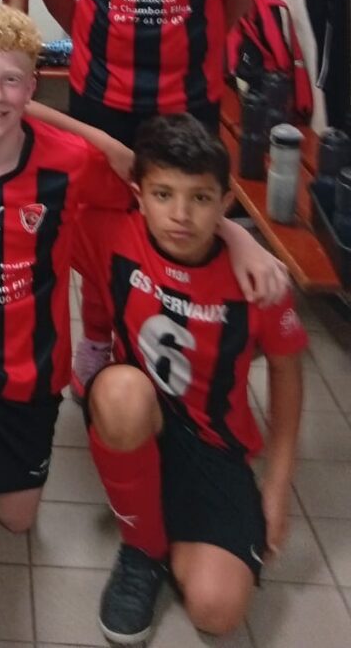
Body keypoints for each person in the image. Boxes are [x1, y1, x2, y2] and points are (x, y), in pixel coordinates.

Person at [0, 6, 288, 647]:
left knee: (16, 518)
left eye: (12, 81)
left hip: (29, 364)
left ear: (34, 86)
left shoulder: (71, 163)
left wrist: (237, 235)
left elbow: (151, 190)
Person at [39, 0, 263, 392]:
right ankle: (97, 334)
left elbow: (236, 1)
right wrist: (106, 42)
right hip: (100, 100)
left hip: (188, 101)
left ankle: (158, 337)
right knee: (100, 225)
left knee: (177, 224)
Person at [74, 115, 305, 644]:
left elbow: (288, 372)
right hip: (140, 419)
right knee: (121, 391)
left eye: (200, 199)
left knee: (217, 611)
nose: (180, 215)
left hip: (215, 446)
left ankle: (162, 520)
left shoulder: (258, 277)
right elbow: (30, 136)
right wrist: (110, 144)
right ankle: (142, 549)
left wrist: (277, 485)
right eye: (163, 194)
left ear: (226, 203)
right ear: (138, 195)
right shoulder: (112, 235)